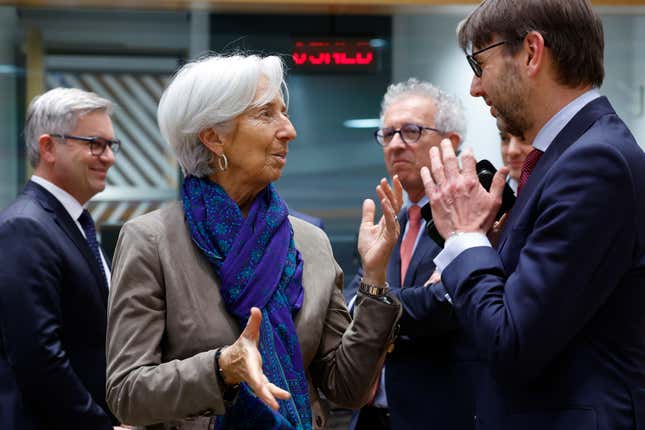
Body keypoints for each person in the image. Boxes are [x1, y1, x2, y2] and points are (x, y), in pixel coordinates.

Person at [105, 54, 403, 430]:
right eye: (266, 114)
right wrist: (221, 368)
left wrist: (374, 280)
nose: (289, 130)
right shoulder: (152, 242)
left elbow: (348, 388)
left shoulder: (310, 243)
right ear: (213, 137)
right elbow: (126, 394)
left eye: (284, 112)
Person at [421, 1, 645, 429]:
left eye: (479, 63)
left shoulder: (594, 162)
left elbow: (512, 342)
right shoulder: (568, 156)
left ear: (530, 52)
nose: (474, 87)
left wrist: (465, 239)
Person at [346, 78, 476, 430]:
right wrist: (373, 300)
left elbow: (442, 307)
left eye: (411, 132)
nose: (395, 145)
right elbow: (354, 302)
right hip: (372, 416)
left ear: (450, 142)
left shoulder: (472, 215)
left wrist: (374, 303)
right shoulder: (393, 221)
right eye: (387, 134)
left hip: (441, 415)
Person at [0, 87, 123, 429]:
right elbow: (38, 358)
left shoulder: (76, 223)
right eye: (94, 143)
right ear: (48, 147)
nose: (109, 157)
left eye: (111, 145)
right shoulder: (26, 226)